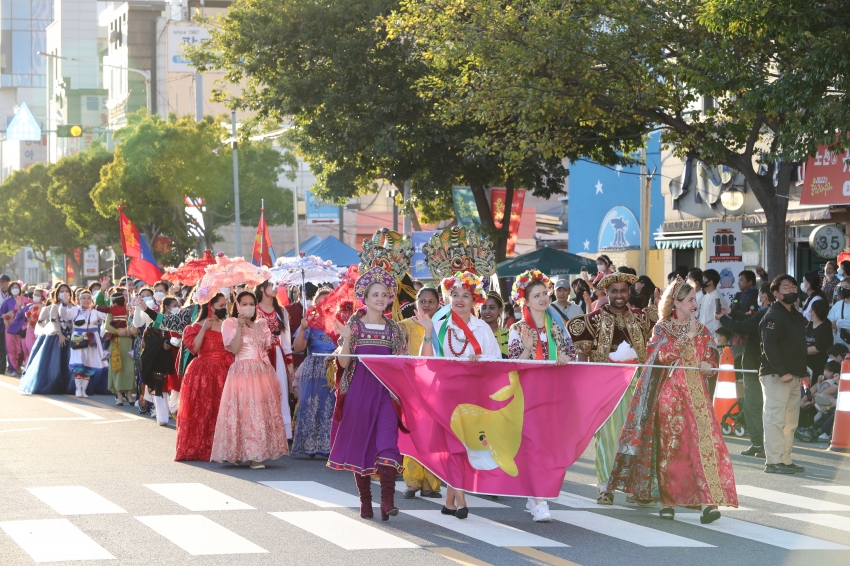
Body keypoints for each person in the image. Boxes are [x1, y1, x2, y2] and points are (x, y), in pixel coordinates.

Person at [608, 279, 737, 524]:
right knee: (671, 449)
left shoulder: (701, 329)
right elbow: (661, 356)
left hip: (698, 397)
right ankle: (668, 501)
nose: (694, 304)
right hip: (671, 397)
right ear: (675, 303)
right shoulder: (663, 328)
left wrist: (709, 365)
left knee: (705, 447)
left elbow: (711, 357)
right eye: (689, 300)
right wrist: (684, 338)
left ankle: (708, 503)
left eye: (695, 300)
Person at [415, 270, 501, 519]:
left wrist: (480, 362)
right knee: (454, 446)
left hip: (474, 396)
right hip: (446, 394)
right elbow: (426, 361)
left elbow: (496, 364)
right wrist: (428, 331)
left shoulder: (482, 328)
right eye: (455, 294)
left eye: (466, 295)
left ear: (475, 300)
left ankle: (450, 500)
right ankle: (461, 499)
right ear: (448, 298)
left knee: (463, 448)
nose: (460, 299)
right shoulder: (440, 326)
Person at [567, 272, 658, 505]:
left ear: (629, 293)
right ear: (606, 294)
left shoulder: (640, 318)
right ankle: (605, 487)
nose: (619, 295)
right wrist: (582, 385)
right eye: (614, 291)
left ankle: (632, 486)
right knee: (607, 437)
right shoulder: (593, 319)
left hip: (636, 384)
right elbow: (582, 354)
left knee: (635, 435)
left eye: (623, 291)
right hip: (604, 385)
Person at [329, 267, 407, 521]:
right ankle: (365, 500)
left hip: (386, 394)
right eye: (375, 294)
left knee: (387, 444)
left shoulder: (394, 329)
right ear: (365, 296)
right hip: (359, 393)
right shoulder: (354, 326)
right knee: (360, 445)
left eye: (384, 294)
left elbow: (402, 362)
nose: (380, 298)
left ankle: (388, 500)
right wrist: (348, 340)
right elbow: (342, 364)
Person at [507, 270, 575, 522]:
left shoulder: (558, 327)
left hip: (554, 393)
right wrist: (526, 349)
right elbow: (513, 364)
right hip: (528, 395)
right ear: (525, 300)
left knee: (549, 446)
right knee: (534, 445)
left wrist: (568, 358)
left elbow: (572, 353)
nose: (543, 299)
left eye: (545, 294)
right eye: (537, 295)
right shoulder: (517, 328)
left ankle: (534, 494)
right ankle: (539, 500)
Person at [211, 290, 289, 469]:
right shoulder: (230, 324)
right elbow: (235, 349)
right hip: (242, 372)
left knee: (259, 412)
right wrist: (239, 326)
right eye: (244, 304)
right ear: (237, 306)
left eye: (251, 304)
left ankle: (256, 454)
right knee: (242, 411)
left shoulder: (261, 324)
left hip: (261, 372)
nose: (248, 307)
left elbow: (264, 350)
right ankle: (238, 451)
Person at [175, 293, 234, 461]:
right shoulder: (193, 327)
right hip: (202, 372)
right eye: (221, 306)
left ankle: (221, 449)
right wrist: (203, 329)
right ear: (210, 306)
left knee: (220, 409)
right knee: (202, 410)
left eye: (225, 305)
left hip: (223, 370)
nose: (224, 309)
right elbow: (194, 348)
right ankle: (200, 447)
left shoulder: (227, 325)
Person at [717, 282, 773, 459]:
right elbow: (748, 321)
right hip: (755, 366)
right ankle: (757, 443)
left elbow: (744, 327)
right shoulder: (768, 313)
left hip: (755, 367)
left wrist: (722, 318)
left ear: (763, 297)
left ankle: (762, 444)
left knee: (755, 406)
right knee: (750, 407)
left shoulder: (767, 313)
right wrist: (731, 313)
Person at [398, 286, 444, 498]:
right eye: (422, 301)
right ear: (416, 303)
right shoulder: (406, 326)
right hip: (413, 388)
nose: (426, 305)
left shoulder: (445, 326)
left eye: (431, 301)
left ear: (439, 303)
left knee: (435, 437)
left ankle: (431, 485)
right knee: (413, 433)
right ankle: (412, 481)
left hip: (438, 388)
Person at [759, 275, 808, 474]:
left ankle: (785, 459)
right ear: (776, 293)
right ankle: (773, 461)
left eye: (794, 287)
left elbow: (799, 347)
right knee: (775, 419)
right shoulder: (773, 315)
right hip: (777, 375)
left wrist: (803, 373)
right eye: (786, 287)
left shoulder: (796, 315)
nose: (792, 290)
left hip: (794, 374)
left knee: (790, 421)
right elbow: (768, 347)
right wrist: (783, 371)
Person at [291, 287, 337, 457]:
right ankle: (310, 446)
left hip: (334, 367)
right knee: (310, 405)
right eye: (321, 301)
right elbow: (298, 348)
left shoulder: (340, 323)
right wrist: (303, 329)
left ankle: (330, 446)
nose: (324, 305)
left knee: (331, 406)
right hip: (313, 367)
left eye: (328, 301)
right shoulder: (309, 322)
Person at [255, 280, 295, 439]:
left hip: (277, 355)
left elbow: (286, 340)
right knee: (260, 392)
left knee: (280, 391)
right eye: (272, 285)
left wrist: (290, 363)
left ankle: (279, 432)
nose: (276, 288)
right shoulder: (254, 309)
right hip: (259, 355)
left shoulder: (281, 311)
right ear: (262, 288)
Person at [19, 284, 76, 395]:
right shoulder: (54, 306)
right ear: (57, 294)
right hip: (56, 336)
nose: (64, 293)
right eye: (62, 291)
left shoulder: (74, 306)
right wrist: (60, 334)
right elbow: (54, 321)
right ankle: (55, 384)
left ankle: (72, 385)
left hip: (72, 336)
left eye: (66, 291)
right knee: (55, 362)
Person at [67, 291, 108, 397]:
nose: (86, 300)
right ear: (79, 300)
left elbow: (105, 315)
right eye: (83, 298)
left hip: (92, 338)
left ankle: (83, 389)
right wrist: (64, 303)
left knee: (90, 362)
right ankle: (78, 389)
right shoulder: (75, 310)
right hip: (78, 337)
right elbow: (64, 315)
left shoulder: (95, 311)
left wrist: (104, 301)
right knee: (78, 362)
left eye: (88, 298)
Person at [103, 289, 137, 405]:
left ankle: (129, 393)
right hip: (115, 342)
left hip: (128, 342)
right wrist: (118, 331)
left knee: (129, 369)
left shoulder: (129, 311)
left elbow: (135, 324)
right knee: (117, 368)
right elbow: (107, 326)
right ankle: (119, 396)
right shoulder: (111, 312)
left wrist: (128, 331)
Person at [1, 281, 28, 376]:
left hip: (22, 328)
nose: (15, 289)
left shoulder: (25, 300)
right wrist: (5, 316)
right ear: (10, 290)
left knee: (21, 350)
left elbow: (28, 313)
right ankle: (13, 369)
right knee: (11, 349)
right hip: (10, 329)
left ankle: (18, 366)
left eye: (17, 287)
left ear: (20, 289)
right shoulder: (7, 302)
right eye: (13, 288)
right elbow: (1, 313)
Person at [806, 299, 833, 380]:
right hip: (806, 364)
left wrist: (799, 351)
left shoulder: (825, 328)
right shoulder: (809, 325)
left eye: (811, 309)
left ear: (814, 311)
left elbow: (817, 348)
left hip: (817, 366)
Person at [698, 268, 728, 340]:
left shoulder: (717, 297)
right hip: (704, 336)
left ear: (710, 282)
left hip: (713, 337)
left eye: (704, 279)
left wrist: (717, 339)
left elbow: (717, 319)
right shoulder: (705, 296)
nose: (702, 281)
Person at [480, 291, 509, 357]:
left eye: (492, 307)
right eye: (484, 308)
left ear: (500, 310)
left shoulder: (508, 335)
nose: (487, 311)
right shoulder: (474, 334)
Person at [22, 287, 46, 366]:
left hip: (39, 331)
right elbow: (28, 319)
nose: (35, 296)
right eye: (35, 295)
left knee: (37, 349)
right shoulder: (29, 306)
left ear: (42, 297)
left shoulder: (45, 307)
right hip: (30, 329)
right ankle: (29, 366)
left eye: (38, 295)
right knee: (29, 348)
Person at [828, 277, 850, 348]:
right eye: (842, 287)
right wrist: (833, 324)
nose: (843, 289)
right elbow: (829, 320)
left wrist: (840, 323)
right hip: (838, 344)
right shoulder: (838, 305)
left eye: (846, 287)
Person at [0, 273, 11, 374]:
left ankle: (12, 365)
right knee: (1, 345)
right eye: (0, 282)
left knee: (9, 344)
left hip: (10, 323)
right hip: (0, 322)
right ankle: (2, 366)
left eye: (3, 282)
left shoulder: (12, 295)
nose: (1, 284)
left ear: (8, 283)